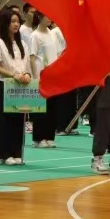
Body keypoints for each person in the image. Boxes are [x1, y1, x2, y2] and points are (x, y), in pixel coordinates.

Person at [0, 9, 31, 165]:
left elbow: (26, 64)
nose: (16, 24)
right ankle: (4, 155)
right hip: (5, 85)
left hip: (21, 85)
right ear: (5, 24)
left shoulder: (22, 44)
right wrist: (13, 75)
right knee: (5, 121)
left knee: (19, 121)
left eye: (18, 21)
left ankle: (16, 152)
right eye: (13, 21)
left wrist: (27, 74)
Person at [29, 10, 64, 148]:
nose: (50, 18)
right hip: (40, 74)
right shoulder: (35, 36)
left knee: (52, 107)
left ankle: (49, 136)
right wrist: (35, 77)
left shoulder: (52, 33)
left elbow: (58, 54)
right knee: (41, 108)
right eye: (47, 16)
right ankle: (38, 138)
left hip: (53, 75)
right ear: (40, 17)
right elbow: (32, 57)